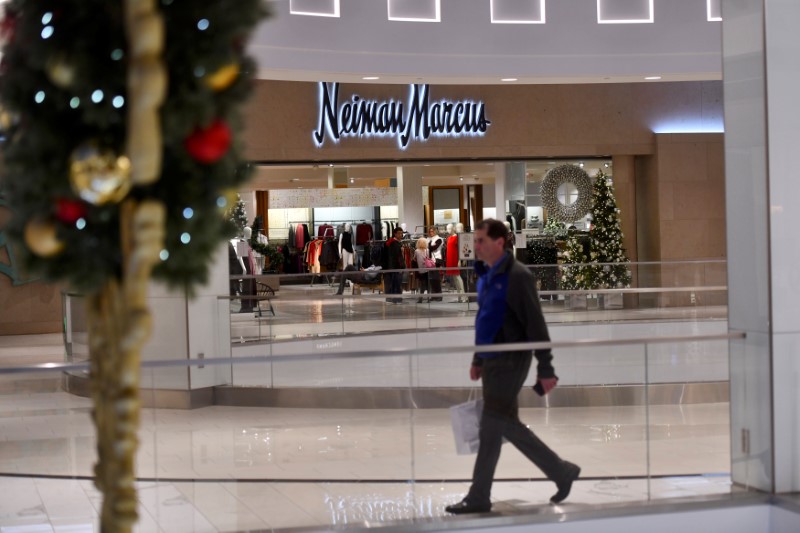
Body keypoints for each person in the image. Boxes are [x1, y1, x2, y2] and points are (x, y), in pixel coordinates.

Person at [445, 218, 580, 515]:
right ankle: (561, 471)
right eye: (475, 240)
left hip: (511, 359)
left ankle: (479, 495)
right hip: (492, 360)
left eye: (481, 240)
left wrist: (546, 368)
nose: (475, 245)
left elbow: (535, 323)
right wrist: (478, 358)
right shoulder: (486, 275)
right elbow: (486, 320)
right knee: (504, 425)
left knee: (492, 424)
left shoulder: (518, 276)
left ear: (500, 242)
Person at [383, 226, 405, 304]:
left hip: (392, 267)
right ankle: (397, 299)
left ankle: (393, 299)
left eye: (401, 234)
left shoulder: (391, 242)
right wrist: (402, 266)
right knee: (396, 283)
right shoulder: (394, 244)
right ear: (395, 234)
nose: (400, 235)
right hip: (395, 267)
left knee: (394, 283)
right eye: (399, 233)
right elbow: (396, 257)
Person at [414, 237, 430, 303]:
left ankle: (420, 299)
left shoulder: (416, 251)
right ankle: (428, 298)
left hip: (421, 270)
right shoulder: (427, 250)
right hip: (427, 269)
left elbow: (414, 259)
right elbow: (428, 258)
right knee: (428, 284)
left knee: (422, 284)